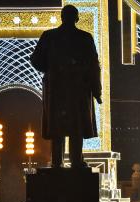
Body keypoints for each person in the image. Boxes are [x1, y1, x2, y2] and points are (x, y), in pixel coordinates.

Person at [31, 5, 102, 168]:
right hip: (78, 90)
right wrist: (97, 91)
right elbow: (93, 66)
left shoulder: (48, 36)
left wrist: (50, 69)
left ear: (62, 17)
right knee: (76, 127)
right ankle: (76, 162)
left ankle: (57, 162)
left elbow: (35, 60)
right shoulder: (85, 38)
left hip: (56, 89)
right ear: (77, 18)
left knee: (58, 128)